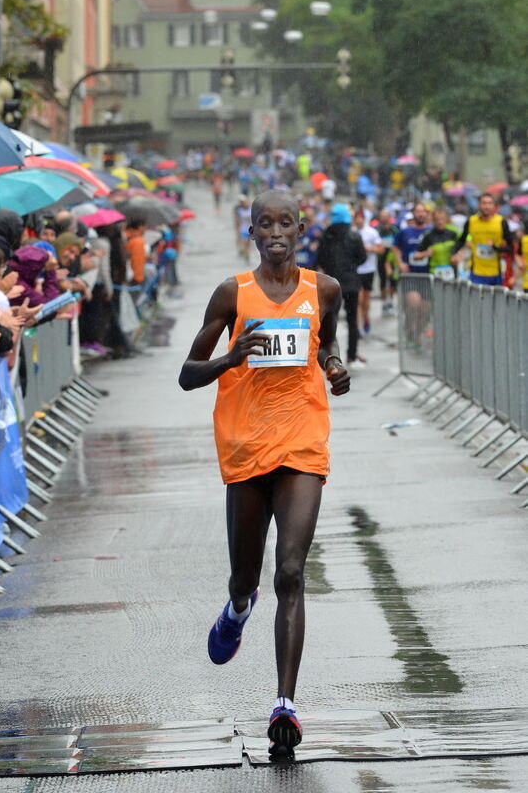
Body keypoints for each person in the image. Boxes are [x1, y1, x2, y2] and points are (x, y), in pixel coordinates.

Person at [179, 191, 350, 757]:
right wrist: (232, 356)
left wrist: (335, 368)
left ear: (301, 229)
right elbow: (187, 375)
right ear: (251, 231)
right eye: (265, 224)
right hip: (246, 444)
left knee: (292, 573)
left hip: (302, 438)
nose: (276, 232)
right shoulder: (233, 293)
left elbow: (325, 346)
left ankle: (285, 705)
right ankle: (236, 608)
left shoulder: (324, 289)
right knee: (246, 577)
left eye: (286, 223)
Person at [316, 203, 367, 369]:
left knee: (330, 322)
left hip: (331, 285)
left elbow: (321, 258)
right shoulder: (354, 235)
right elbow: (362, 257)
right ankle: (352, 356)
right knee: (352, 321)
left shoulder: (326, 235)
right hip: (351, 283)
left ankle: (331, 358)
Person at [451, 193, 513, 285]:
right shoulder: (471, 221)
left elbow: (510, 247)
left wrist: (495, 248)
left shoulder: (501, 222)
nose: (486, 206)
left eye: (489, 203)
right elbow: (461, 240)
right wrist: (454, 253)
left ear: (494, 206)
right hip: (476, 272)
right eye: (484, 203)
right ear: (479, 205)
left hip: (495, 273)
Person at [352, 210, 383, 335]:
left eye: (361, 218)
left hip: (368, 270)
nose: (358, 220)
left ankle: (366, 316)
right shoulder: (351, 232)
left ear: (364, 219)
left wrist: (369, 249)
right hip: (355, 270)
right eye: (356, 218)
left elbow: (381, 249)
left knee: (365, 300)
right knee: (357, 300)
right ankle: (358, 327)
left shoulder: (371, 232)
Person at [392, 202, 430, 273]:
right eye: (418, 211)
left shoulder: (431, 231)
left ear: (426, 214)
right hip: (408, 273)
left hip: (427, 272)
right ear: (413, 213)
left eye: (423, 211)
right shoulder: (404, 231)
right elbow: (395, 247)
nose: (420, 214)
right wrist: (400, 263)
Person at [376, 209, 398, 316]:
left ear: (389, 217)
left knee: (393, 281)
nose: (384, 218)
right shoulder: (377, 230)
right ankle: (384, 303)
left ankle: (391, 302)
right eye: (382, 216)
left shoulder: (395, 230)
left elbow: (398, 244)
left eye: (386, 216)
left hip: (392, 259)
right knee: (383, 281)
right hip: (381, 259)